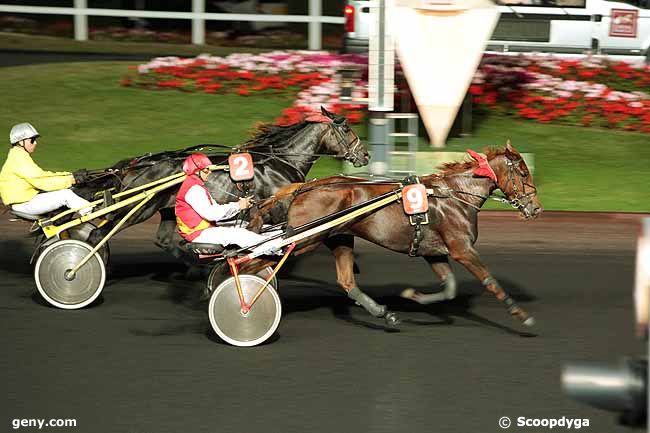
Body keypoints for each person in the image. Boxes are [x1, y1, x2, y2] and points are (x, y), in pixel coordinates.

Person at [175, 153, 274, 250]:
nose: (209, 172)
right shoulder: (194, 190)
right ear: (196, 171)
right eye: (206, 170)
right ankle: (276, 248)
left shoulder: (196, 186)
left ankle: (274, 236)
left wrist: (239, 206)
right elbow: (212, 214)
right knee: (239, 234)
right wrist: (238, 206)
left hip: (204, 229)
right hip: (198, 233)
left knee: (242, 223)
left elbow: (216, 210)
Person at [0, 122, 92, 217]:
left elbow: (44, 175)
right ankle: (91, 213)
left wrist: (70, 175)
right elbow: (43, 182)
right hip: (24, 204)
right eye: (32, 140)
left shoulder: (18, 156)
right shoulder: (18, 160)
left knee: (66, 192)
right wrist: (71, 180)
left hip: (27, 199)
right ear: (20, 142)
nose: (35, 143)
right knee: (66, 195)